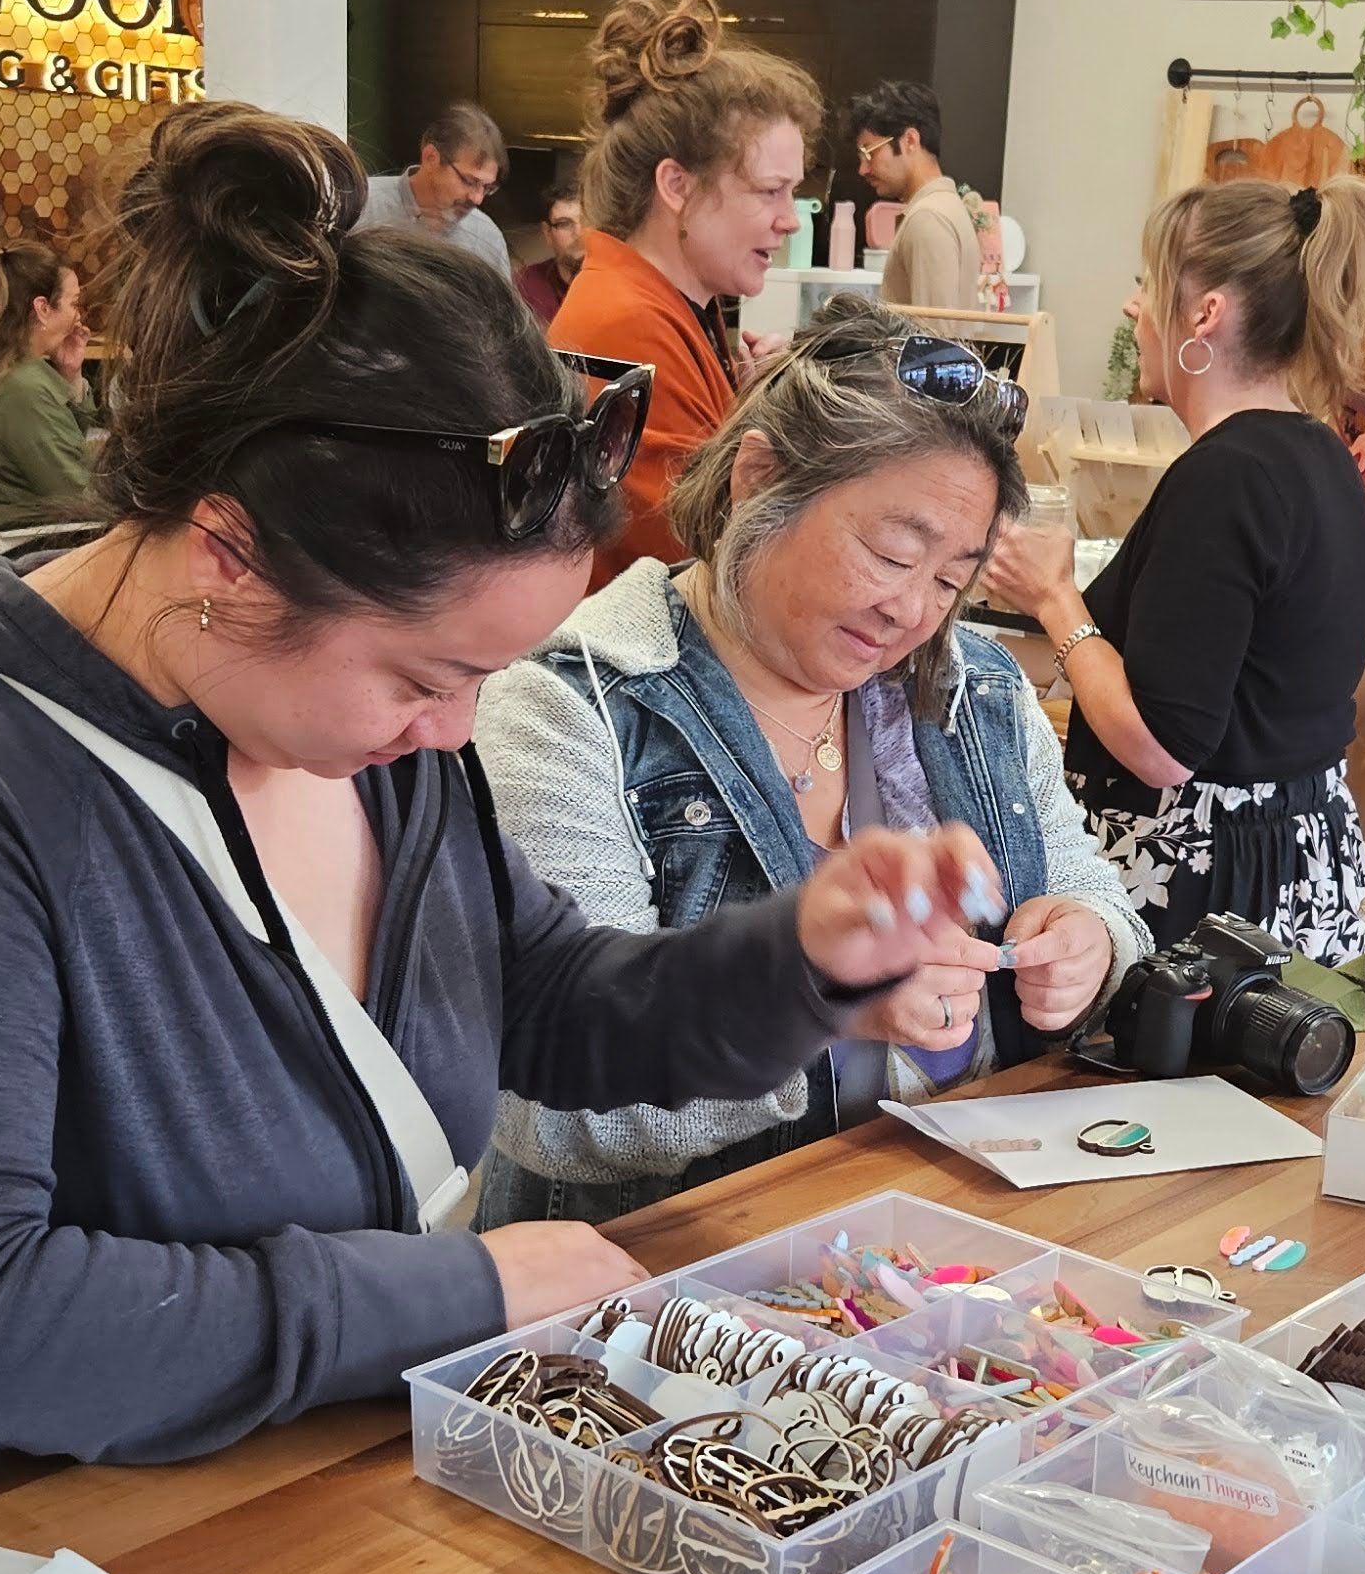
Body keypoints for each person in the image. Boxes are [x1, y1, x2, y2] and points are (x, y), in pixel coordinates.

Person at [0, 102, 1008, 1508]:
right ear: (230, 558)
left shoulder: (375, 747)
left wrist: (802, 960)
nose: (455, 731)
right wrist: (456, 1294)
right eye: (428, 676)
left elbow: (549, 1003)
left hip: (328, 1520)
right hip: (45, 1571)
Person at [475, 304, 1145, 1225]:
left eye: (950, 580)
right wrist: (819, 1004)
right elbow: (552, 1111)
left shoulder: (974, 687)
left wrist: (1088, 941)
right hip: (676, 1267)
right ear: (760, 479)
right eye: (890, 554)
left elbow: (1088, 888)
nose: (913, 612)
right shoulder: (573, 705)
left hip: (950, 1240)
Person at [982, 176, 1365, 961]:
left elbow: (1161, 747)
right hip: (1299, 862)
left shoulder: (1225, 477)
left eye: (1148, 283)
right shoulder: (1319, 455)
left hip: (1206, 891)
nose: (1133, 307)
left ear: (1205, 314)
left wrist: (1054, 599)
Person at [549, 0, 820, 579]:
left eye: (793, 192)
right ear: (677, 186)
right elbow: (699, 545)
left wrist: (754, 405)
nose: (790, 219)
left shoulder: (673, 307)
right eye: (769, 190)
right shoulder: (625, 326)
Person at [0, 242, 94, 535]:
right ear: (43, 309)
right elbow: (78, 495)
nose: (78, 317)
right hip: (33, 541)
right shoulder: (24, 389)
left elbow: (65, 448)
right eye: (74, 304)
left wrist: (70, 374)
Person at [846, 80, 982, 314]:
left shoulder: (928, 218)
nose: (863, 169)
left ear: (910, 141)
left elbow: (933, 331)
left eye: (869, 152)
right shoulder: (946, 207)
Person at [362, 100, 512, 282]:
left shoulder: (487, 238)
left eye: (487, 188)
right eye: (468, 181)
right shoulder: (361, 205)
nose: (477, 198)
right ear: (431, 157)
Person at [515, 187, 584, 325]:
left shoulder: (619, 282)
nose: (579, 233)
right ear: (547, 232)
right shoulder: (526, 286)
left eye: (587, 221)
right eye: (565, 224)